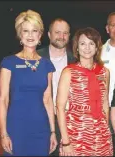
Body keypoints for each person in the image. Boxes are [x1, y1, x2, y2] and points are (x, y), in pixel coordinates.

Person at [0, 10, 57, 156]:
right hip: (16, 127)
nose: (30, 35)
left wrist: (53, 132)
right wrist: (3, 133)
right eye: (26, 31)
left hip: (41, 128)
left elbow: (48, 100)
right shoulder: (9, 62)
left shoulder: (46, 65)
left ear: (40, 35)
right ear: (20, 34)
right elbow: (3, 100)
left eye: (34, 31)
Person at [57, 27, 113, 156]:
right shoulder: (68, 72)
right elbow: (60, 108)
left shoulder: (105, 72)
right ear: (77, 47)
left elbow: (105, 103)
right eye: (82, 43)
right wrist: (66, 141)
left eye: (91, 43)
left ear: (97, 47)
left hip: (100, 132)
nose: (87, 48)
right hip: (76, 131)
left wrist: (106, 129)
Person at [37, 18, 75, 156]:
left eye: (65, 33)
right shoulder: (36, 57)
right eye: (57, 32)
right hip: (42, 119)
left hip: (68, 120)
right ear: (49, 34)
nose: (61, 36)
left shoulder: (76, 59)